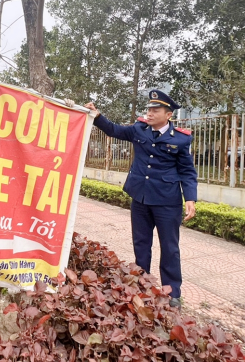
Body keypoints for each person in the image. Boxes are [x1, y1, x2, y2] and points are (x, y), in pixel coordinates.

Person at [82, 90, 197, 309]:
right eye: (149, 109)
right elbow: (114, 130)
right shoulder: (139, 129)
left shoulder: (181, 139)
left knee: (170, 247)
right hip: (141, 198)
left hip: (167, 201)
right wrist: (97, 116)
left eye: (156, 110)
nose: (150, 113)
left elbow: (187, 171)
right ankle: (142, 284)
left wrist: (190, 198)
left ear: (168, 114)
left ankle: (172, 291)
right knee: (141, 244)